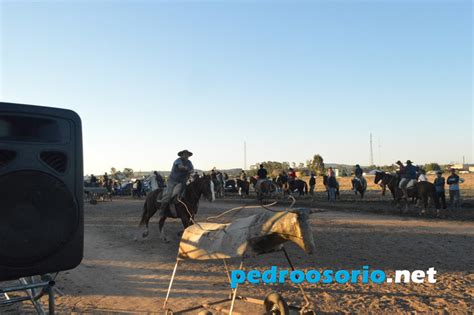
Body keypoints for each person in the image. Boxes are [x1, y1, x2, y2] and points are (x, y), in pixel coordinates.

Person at [158, 150, 194, 217]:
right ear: (181, 155)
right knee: (169, 194)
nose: (186, 156)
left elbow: (192, 170)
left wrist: (191, 171)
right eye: (185, 154)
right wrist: (187, 169)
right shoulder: (178, 160)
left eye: (187, 155)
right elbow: (180, 167)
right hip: (172, 181)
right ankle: (162, 210)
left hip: (182, 182)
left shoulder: (189, 162)